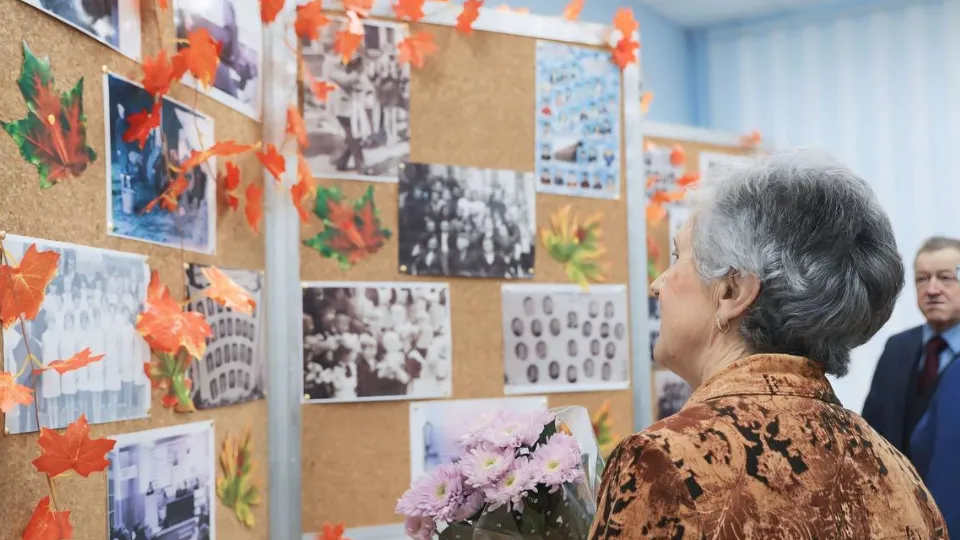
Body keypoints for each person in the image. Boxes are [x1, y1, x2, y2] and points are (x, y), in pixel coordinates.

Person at [590, 151, 947, 538]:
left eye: (678, 257)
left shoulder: (665, 461)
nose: (657, 285)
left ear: (732, 291)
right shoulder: (897, 474)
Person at [863, 237, 960, 536]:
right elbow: (870, 434)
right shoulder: (897, 348)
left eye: (946, 277)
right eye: (922, 279)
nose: (932, 289)